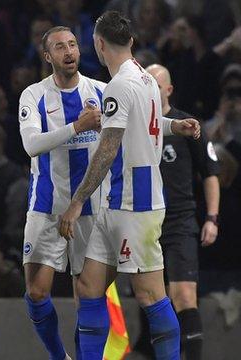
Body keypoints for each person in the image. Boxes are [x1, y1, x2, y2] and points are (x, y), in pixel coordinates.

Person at [58, 11, 201, 360]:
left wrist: (77, 202)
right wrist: (174, 126)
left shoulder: (120, 85)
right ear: (131, 41)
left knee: (151, 295)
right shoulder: (145, 79)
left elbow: (108, 148)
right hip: (116, 201)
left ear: (98, 44)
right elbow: (146, 122)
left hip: (135, 203)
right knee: (89, 287)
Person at [18, 25, 104, 360]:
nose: (68, 51)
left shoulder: (100, 90)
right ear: (47, 56)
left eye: (72, 45)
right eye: (59, 47)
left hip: (92, 209)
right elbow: (30, 145)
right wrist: (77, 127)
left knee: (90, 296)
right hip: (46, 207)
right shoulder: (34, 95)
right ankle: (59, 356)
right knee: (37, 293)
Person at [140, 64, 220, 359]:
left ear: (169, 90)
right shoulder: (137, 127)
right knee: (150, 299)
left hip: (179, 221)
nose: (151, 91)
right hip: (145, 223)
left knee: (184, 295)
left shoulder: (186, 124)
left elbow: (210, 172)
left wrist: (211, 217)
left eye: (157, 86)